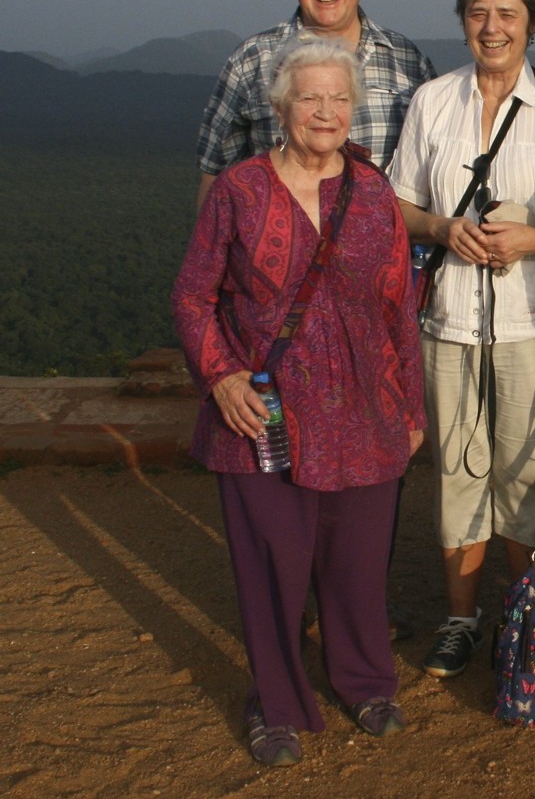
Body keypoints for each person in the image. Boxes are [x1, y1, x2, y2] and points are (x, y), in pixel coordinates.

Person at [172, 38, 425, 767]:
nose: (325, 111)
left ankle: (367, 682)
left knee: (356, 561)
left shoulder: (373, 191)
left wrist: (411, 408)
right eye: (310, 98)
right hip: (261, 414)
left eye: (338, 98)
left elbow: (398, 306)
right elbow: (192, 295)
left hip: (366, 409)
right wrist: (219, 377)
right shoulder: (240, 190)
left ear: (353, 109)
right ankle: (275, 704)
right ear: (281, 107)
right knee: (273, 565)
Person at [388, 0, 535, 679]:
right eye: (479, 12)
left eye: (507, 13)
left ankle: (529, 614)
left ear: (531, 22)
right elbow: (398, 204)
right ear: (463, 20)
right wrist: (445, 229)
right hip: (448, 323)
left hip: (534, 325)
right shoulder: (432, 103)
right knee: (459, 476)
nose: (492, 27)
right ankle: (463, 618)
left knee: (529, 475)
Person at [196, 0, 435, 210]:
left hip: (381, 253)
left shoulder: (409, 63)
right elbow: (214, 181)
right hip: (276, 253)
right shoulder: (251, 62)